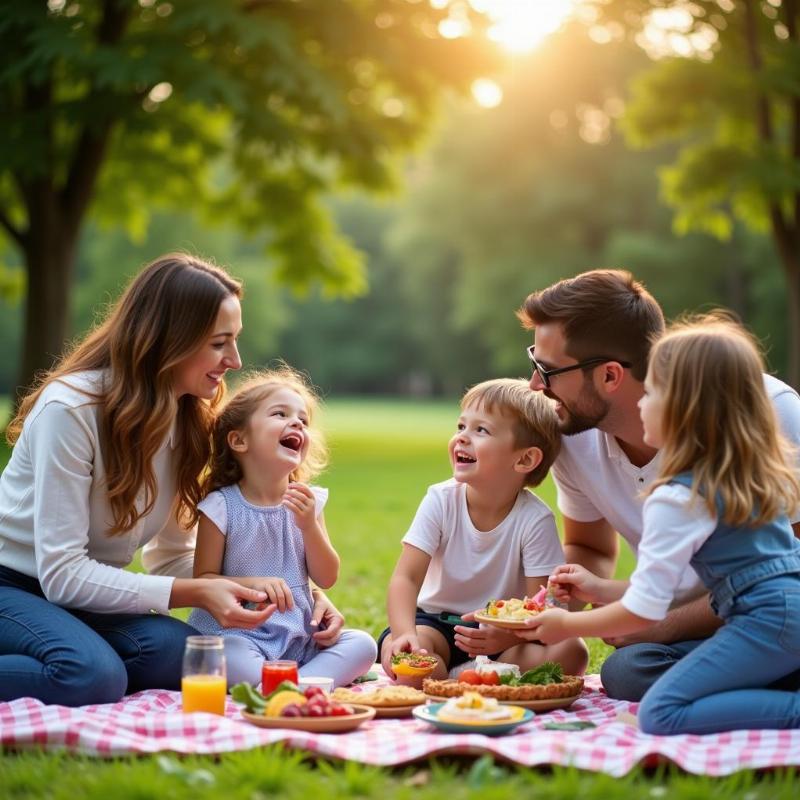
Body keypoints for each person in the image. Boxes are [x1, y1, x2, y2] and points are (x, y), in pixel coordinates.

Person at [0, 253, 344, 706]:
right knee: (90, 676)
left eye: (234, 341)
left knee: (193, 656)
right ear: (170, 340)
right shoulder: (70, 412)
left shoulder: (186, 421)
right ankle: (78, 659)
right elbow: (61, 574)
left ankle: (72, 653)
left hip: (89, 599)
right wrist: (198, 591)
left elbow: (169, 558)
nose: (235, 361)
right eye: (220, 343)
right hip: (17, 585)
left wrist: (294, 593)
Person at [517, 269, 800, 701]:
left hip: (773, 613)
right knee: (628, 671)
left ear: (610, 375)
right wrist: (547, 613)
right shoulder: (572, 436)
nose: (536, 385)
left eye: (547, 370)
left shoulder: (764, 411)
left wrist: (653, 624)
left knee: (645, 681)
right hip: (698, 625)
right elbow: (591, 550)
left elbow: (788, 572)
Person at [379, 378, 588, 680]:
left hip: (505, 635)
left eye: (481, 430)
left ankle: (469, 674)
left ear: (525, 458)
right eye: (461, 426)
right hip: (434, 625)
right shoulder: (440, 499)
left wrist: (511, 637)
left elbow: (541, 604)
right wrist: (403, 634)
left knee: (572, 653)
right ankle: (469, 675)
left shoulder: (535, 519)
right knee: (412, 664)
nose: (462, 438)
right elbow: (406, 578)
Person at [187, 367, 377, 688]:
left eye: (303, 420)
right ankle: (304, 685)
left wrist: (309, 526)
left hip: (298, 636)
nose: (297, 423)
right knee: (228, 653)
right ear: (239, 440)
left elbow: (327, 577)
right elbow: (204, 580)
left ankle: (283, 687)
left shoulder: (308, 501)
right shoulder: (222, 507)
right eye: (280, 414)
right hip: (241, 633)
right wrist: (253, 584)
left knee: (363, 645)